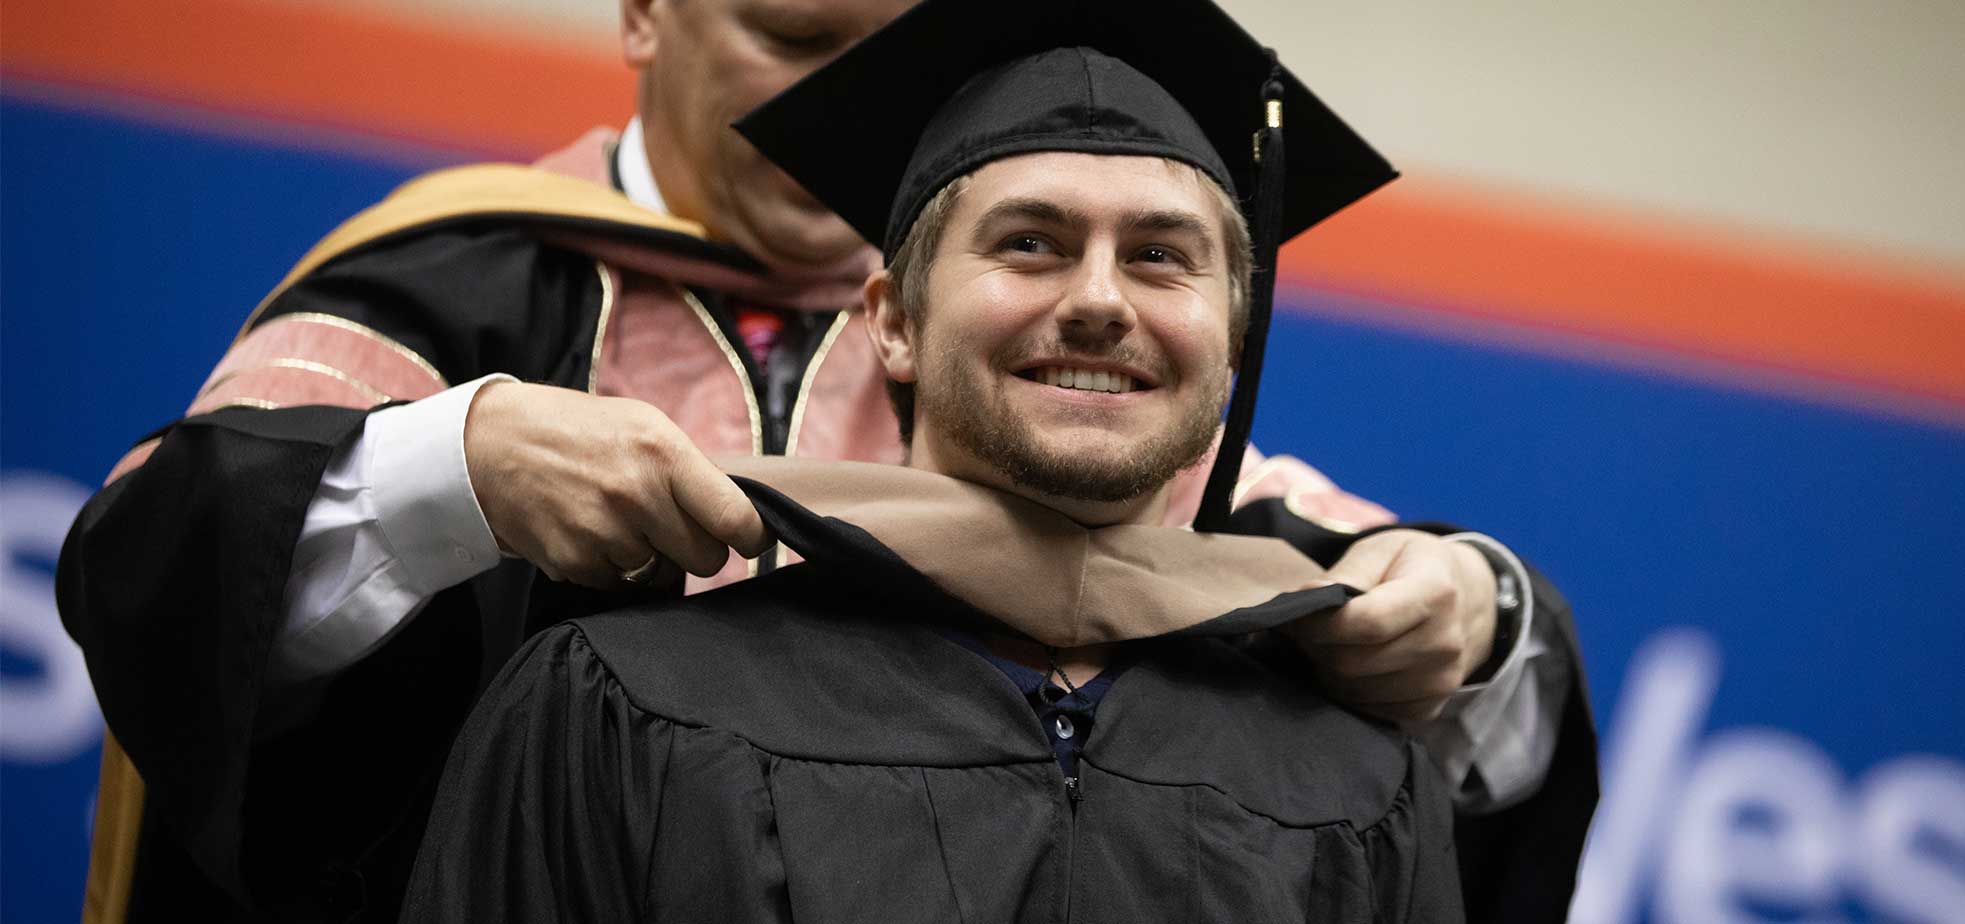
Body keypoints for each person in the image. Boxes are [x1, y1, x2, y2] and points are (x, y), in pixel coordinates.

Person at [58, 0, 1587, 920]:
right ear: (647, 12)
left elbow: (1299, 565)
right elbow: (164, 569)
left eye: (882, 56)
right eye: (786, 41)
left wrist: (1472, 604)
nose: (819, 111)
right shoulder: (465, 291)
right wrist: (455, 469)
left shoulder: (1032, 331)